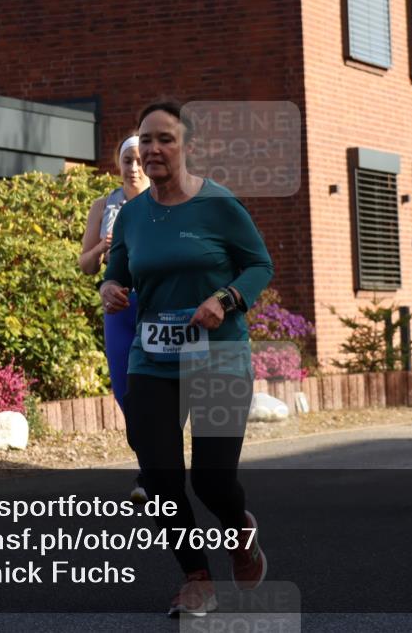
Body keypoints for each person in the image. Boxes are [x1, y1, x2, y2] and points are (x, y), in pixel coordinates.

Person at [100, 100, 274, 616]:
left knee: (212, 481)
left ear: (188, 146)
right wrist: (111, 287)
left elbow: (259, 266)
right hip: (152, 359)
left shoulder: (219, 205)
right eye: (145, 140)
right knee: (158, 476)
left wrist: (225, 300)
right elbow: (119, 270)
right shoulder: (132, 214)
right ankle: (196, 576)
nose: (153, 149)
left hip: (218, 357)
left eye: (165, 139)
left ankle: (240, 529)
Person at [79, 133, 151, 503]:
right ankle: (152, 466)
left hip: (155, 306)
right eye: (128, 160)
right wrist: (103, 247)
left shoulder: (165, 202)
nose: (134, 167)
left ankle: (152, 474)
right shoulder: (103, 204)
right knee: (125, 390)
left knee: (156, 391)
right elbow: (85, 265)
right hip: (118, 308)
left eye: (140, 160)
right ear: (118, 163)